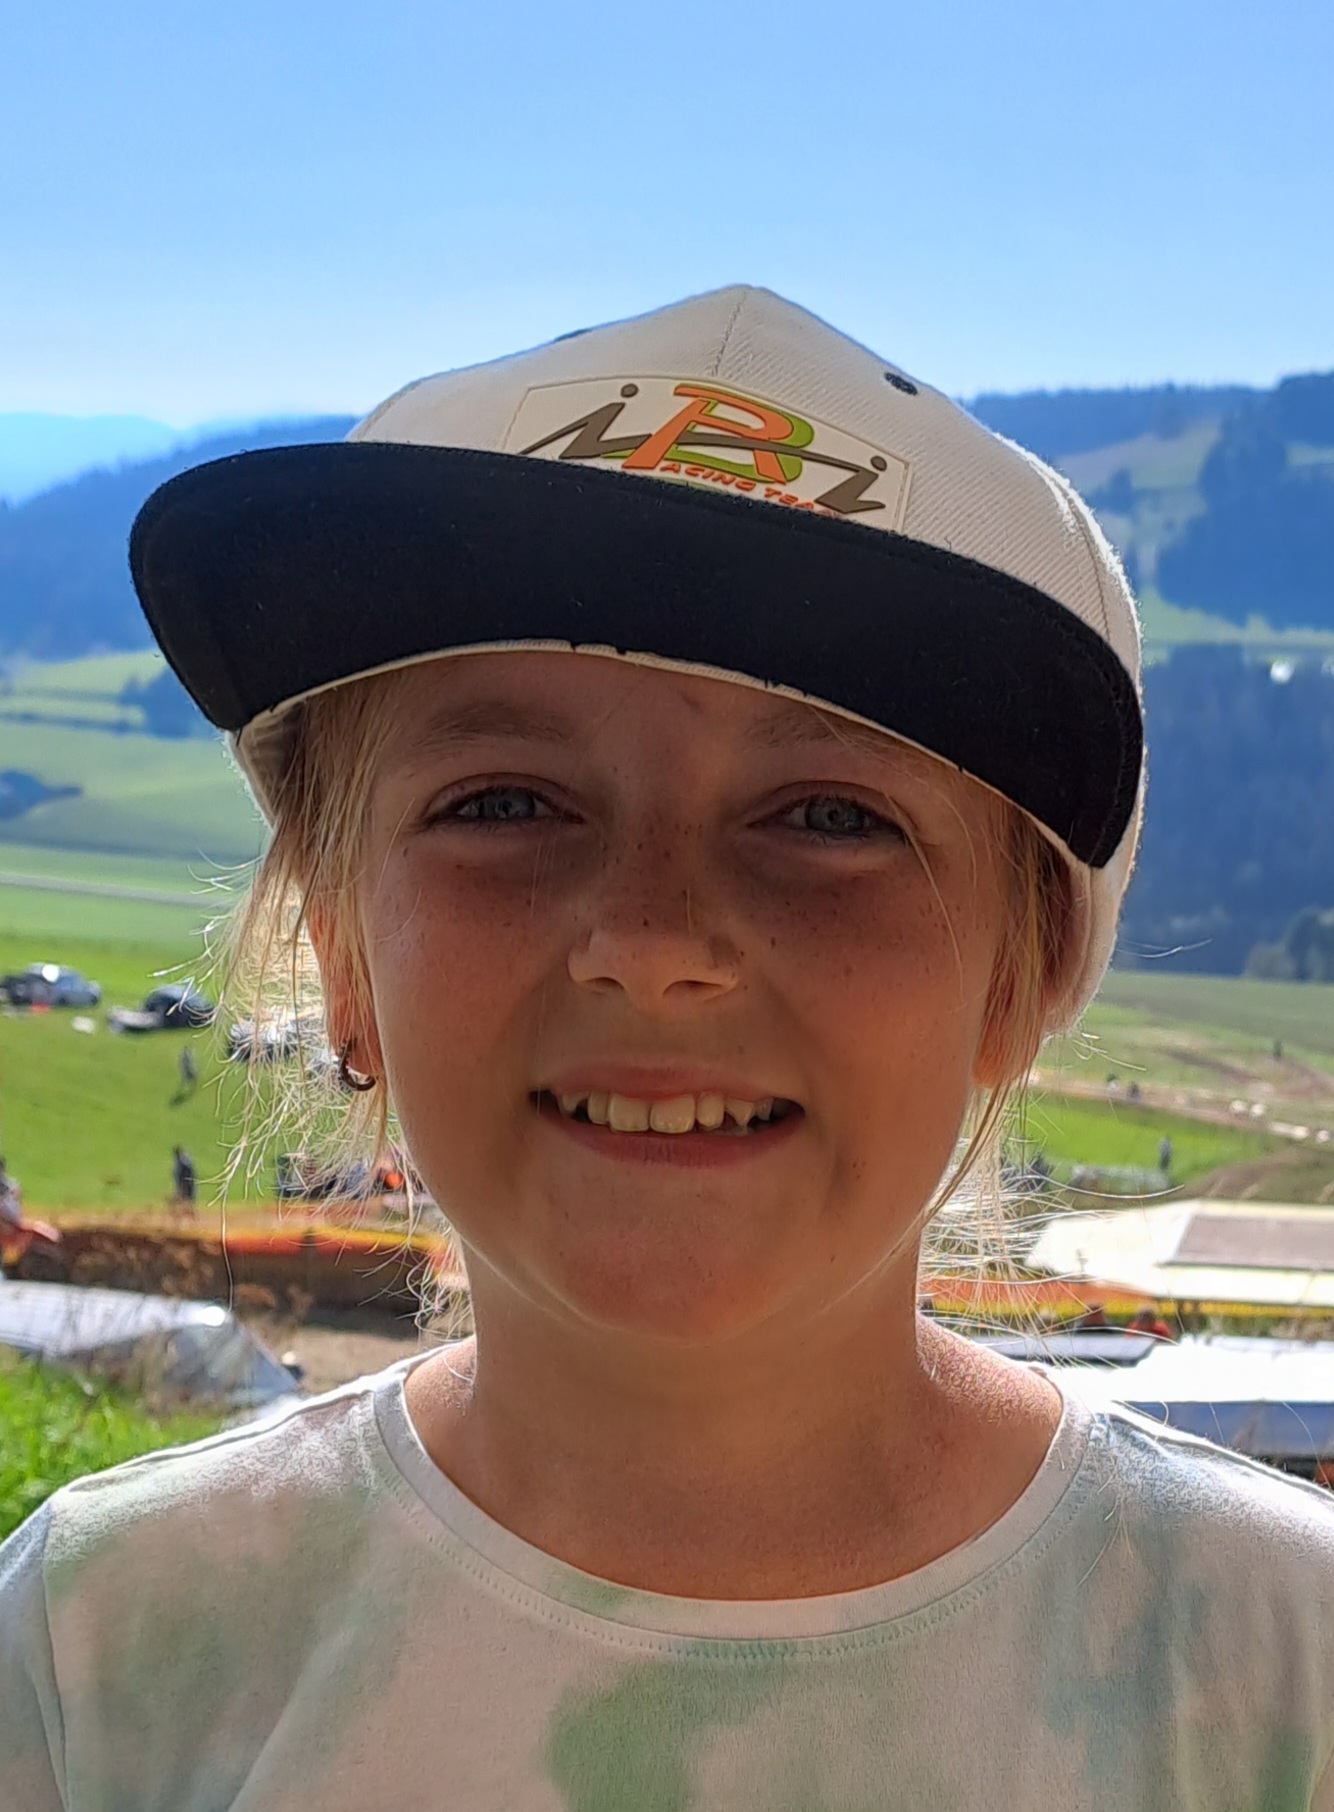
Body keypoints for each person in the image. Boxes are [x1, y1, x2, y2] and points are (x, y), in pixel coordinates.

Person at [4, 287, 1333, 1808]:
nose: (651, 941)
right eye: (505, 804)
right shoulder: (95, 1660)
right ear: (343, 956)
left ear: (1018, 977)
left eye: (828, 816)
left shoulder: (1282, 1674)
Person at [170, 1144, 196, 1210]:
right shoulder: (183, 1160)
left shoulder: (183, 1161)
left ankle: (188, 1209)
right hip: (185, 1179)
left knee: (187, 1196)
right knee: (184, 1196)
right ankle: (185, 1209)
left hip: (187, 1179)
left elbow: (180, 1173)